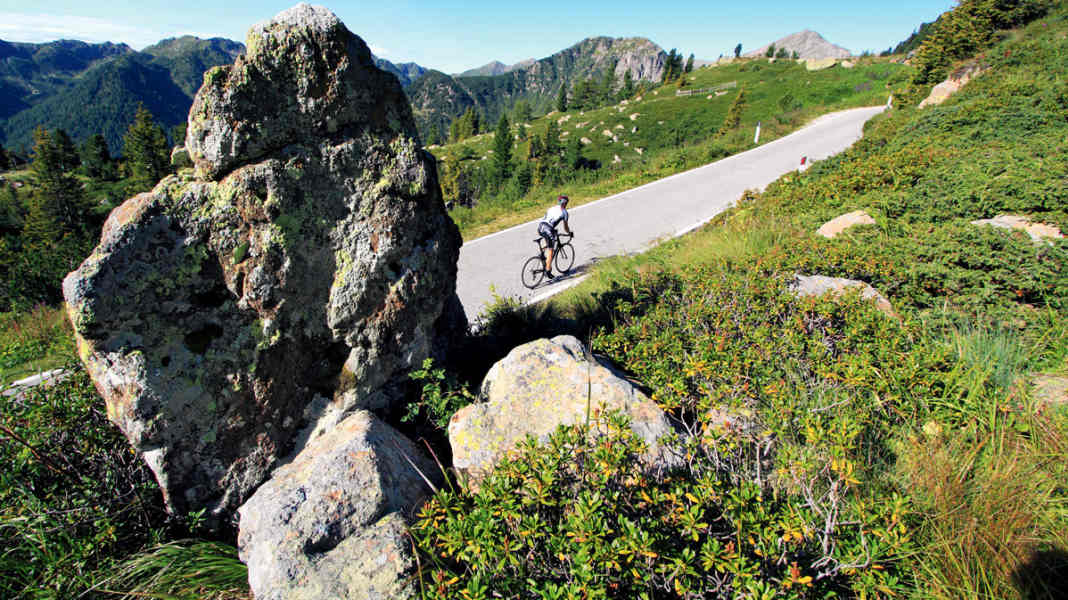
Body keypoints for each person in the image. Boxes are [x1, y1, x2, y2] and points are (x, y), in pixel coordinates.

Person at [538, 195, 572, 280]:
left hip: (540, 227)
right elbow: (566, 228)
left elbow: (547, 219)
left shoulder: (552, 208)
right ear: (566, 203)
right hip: (548, 229)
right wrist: (569, 233)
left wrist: (552, 230)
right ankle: (548, 270)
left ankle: (542, 253)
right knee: (551, 249)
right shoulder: (564, 213)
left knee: (549, 241)